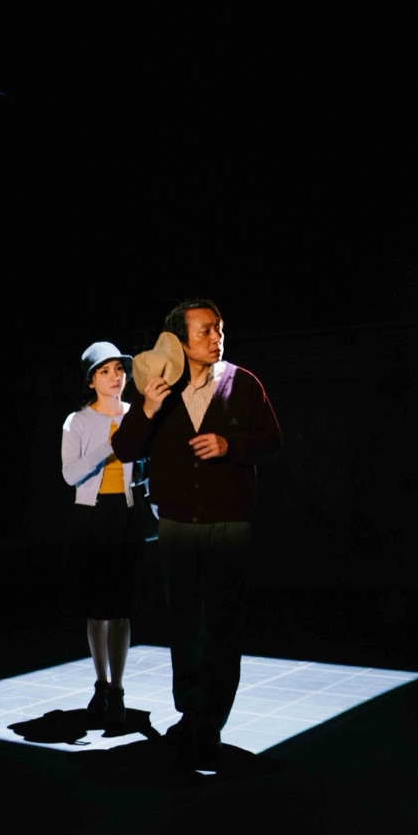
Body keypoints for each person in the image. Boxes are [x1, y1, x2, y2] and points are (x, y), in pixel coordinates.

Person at [111, 301, 282, 769]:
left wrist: (232, 445)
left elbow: (271, 442)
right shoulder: (161, 388)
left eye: (219, 329)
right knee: (185, 624)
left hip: (228, 524)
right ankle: (190, 713)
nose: (215, 337)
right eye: (205, 330)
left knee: (223, 624)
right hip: (177, 526)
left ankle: (211, 720)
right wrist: (147, 405)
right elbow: (125, 447)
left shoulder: (242, 383)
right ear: (181, 340)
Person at [62, 342, 149, 734]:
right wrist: (109, 446)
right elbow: (70, 474)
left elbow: (149, 469)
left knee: (122, 607)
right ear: (91, 380)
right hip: (91, 516)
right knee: (96, 608)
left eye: (119, 369)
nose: (116, 376)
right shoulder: (77, 421)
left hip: (126, 514)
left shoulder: (137, 416)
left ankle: (118, 689)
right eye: (105, 371)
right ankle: (101, 684)